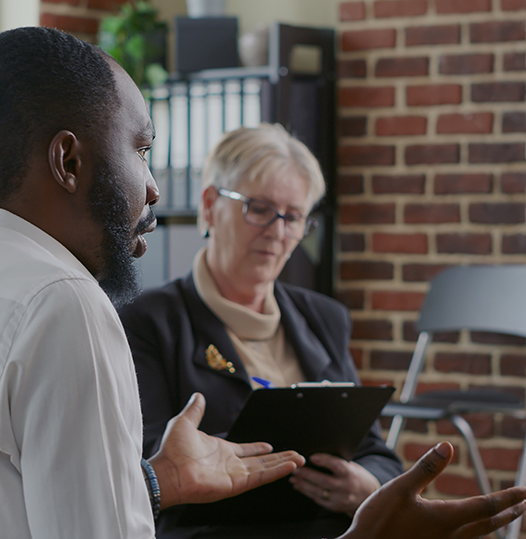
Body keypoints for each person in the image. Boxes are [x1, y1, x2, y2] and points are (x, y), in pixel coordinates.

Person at [0, 26, 526, 539]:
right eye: (141, 147)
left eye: (294, 216)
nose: (154, 186)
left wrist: (159, 480)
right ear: (70, 159)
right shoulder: (62, 304)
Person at [119, 125, 402, 538]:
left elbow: (378, 455)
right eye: (259, 207)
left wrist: (365, 486)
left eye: (294, 217)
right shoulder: (148, 323)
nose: (277, 230)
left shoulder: (324, 319)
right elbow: (146, 468)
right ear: (210, 205)